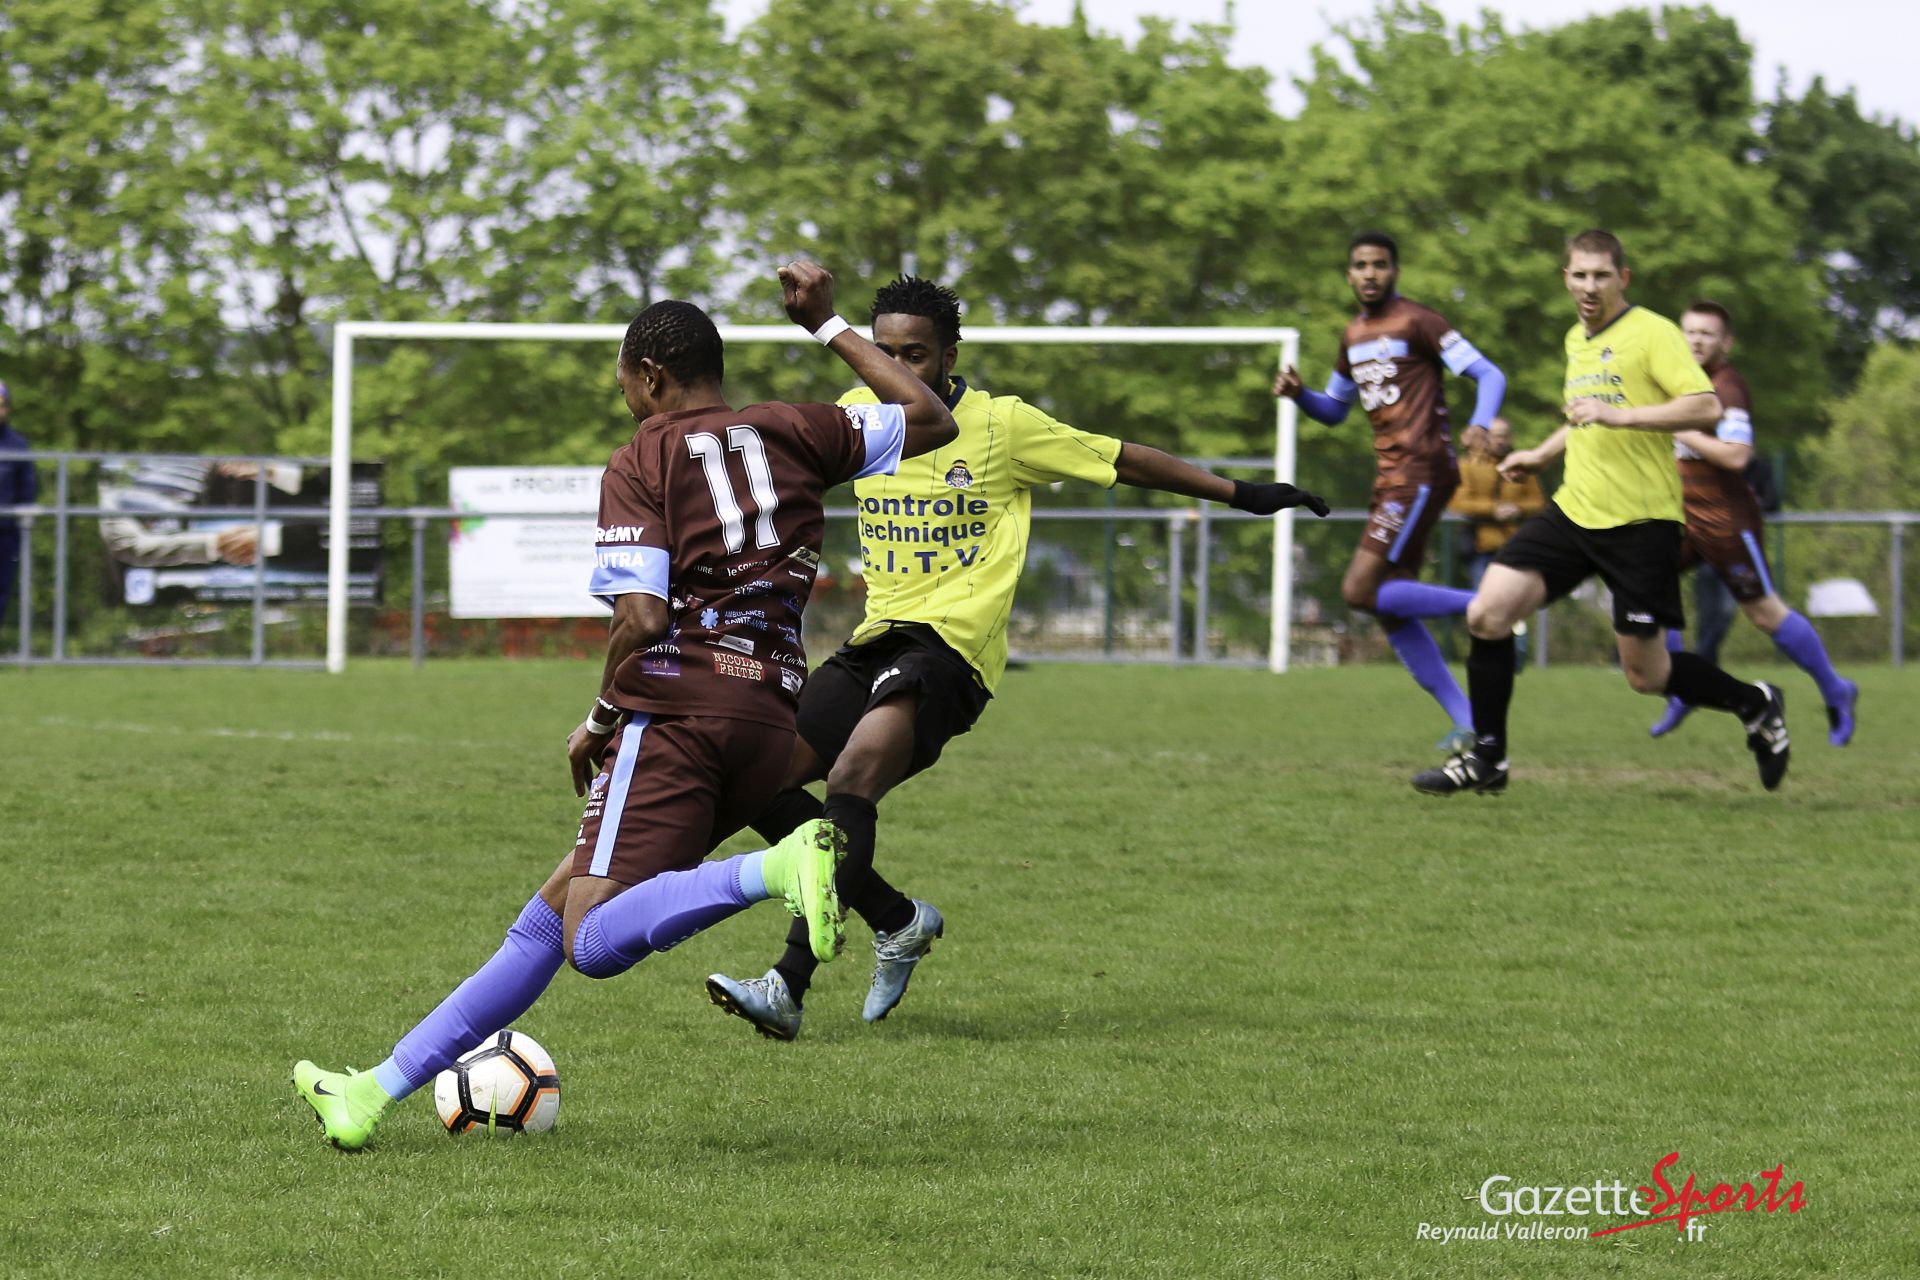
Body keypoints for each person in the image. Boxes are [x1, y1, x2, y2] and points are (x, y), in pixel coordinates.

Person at [291, 263, 958, 1150]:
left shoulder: (643, 458)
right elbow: (931, 417)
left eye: (624, 388)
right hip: (770, 721)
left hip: (680, 718)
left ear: (649, 376)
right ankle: (370, 1093)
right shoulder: (798, 428)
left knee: (592, 941)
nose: (627, 403)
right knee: (549, 916)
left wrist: (602, 720)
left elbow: (641, 619)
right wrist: (828, 324)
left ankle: (779, 867)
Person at [705, 275, 1330, 1041]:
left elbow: (1125, 459)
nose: (898, 366)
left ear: (950, 356)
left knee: (852, 779)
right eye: (884, 351)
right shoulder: (858, 416)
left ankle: (787, 985)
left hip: (951, 650)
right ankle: (896, 919)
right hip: (875, 638)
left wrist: (1244, 494)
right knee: (758, 783)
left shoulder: (1003, 425)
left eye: (915, 354)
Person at [1412, 230, 1790, 797]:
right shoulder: (1576, 339)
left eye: (1601, 275)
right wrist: (1542, 454)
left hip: (1641, 523)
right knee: (1487, 614)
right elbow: (1584, 416)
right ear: (1565, 278)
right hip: (1575, 510)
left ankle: (1755, 703)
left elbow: (1705, 406)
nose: (1590, 286)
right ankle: (1488, 757)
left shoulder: (1653, 332)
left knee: (1647, 675)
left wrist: (1623, 416)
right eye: (1580, 275)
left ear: (1623, 278)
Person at [1274, 231, 1507, 752]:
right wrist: (1299, 394)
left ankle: (1494, 606)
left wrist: (1480, 423)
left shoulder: (1419, 321)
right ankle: (1472, 722)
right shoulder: (1353, 336)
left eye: (1380, 264)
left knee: (1359, 591)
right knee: (1390, 604)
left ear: (1395, 271)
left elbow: (1490, 375)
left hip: (1420, 471)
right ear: (1349, 274)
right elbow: (1334, 411)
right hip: (1393, 478)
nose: (1370, 273)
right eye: (1361, 265)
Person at [1647, 301, 1858, 744]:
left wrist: (1681, 429)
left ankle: (1837, 690)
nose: (1696, 340)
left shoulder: (1728, 387)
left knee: (1764, 614)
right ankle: (1682, 689)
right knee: (1647, 584)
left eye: (1707, 333)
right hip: (1682, 518)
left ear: (1726, 342)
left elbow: (1737, 456)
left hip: (1727, 523)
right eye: (1690, 332)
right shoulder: (1677, 381)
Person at [1449, 416, 1547, 588]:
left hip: (1517, 545)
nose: (1501, 440)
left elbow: (1538, 502)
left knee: (1516, 597)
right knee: (1483, 596)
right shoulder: (1467, 465)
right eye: (1496, 435)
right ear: (1485, 437)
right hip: (1481, 548)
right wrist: (1494, 509)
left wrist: (1518, 509)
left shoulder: (1523, 465)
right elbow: (1458, 503)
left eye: (1505, 435)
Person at [0, 383, 37, 631]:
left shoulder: (17, 445)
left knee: (2, 590)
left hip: (5, 531)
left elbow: (28, 486)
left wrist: (24, 512)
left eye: (1, 405)